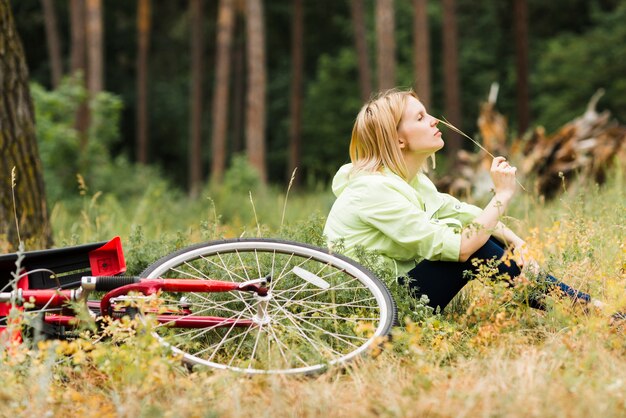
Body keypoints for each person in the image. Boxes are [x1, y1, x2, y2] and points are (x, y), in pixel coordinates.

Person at [323, 88, 594, 312]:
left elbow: (463, 213)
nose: (434, 120)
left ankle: (578, 306)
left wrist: (517, 242)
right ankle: (582, 308)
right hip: (374, 310)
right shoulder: (373, 190)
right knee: (472, 246)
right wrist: (502, 195)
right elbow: (462, 248)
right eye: (420, 118)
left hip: (392, 294)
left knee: (480, 233)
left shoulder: (411, 181)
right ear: (398, 139)